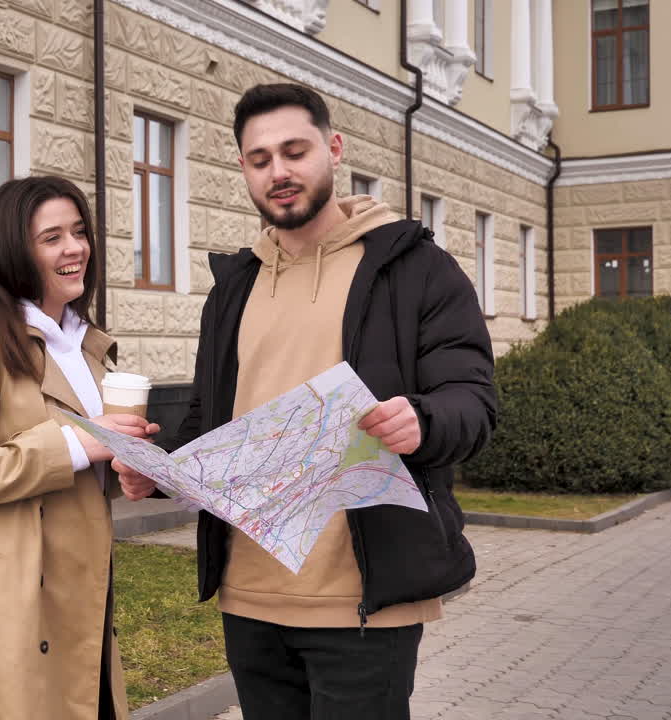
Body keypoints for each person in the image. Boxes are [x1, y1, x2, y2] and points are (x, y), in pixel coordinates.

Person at [117, 83, 497, 719]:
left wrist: (422, 420)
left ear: (335, 148)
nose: (279, 172)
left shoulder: (414, 269)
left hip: (363, 601)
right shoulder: (233, 285)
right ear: (243, 167)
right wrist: (156, 471)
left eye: (295, 151)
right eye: (260, 158)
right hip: (250, 596)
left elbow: (474, 401)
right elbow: (208, 426)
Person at [0, 175, 157, 720]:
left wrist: (127, 468)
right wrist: (81, 441)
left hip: (76, 595)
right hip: (7, 599)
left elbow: (84, 460)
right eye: (52, 238)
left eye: (79, 231)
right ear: (15, 251)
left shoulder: (80, 340)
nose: (75, 248)